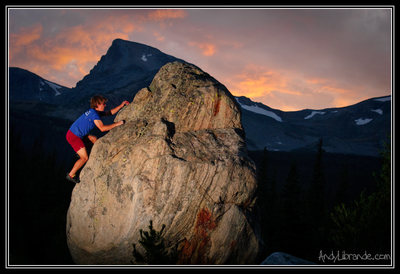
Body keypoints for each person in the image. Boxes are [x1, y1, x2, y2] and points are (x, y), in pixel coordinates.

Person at [65, 95, 130, 183]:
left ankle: (82, 151)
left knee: (94, 139)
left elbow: (109, 113)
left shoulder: (94, 111)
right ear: (97, 104)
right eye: (103, 104)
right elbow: (102, 128)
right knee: (84, 158)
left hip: (74, 133)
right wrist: (117, 124)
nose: (105, 105)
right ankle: (71, 175)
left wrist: (121, 105)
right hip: (74, 136)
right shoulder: (94, 114)